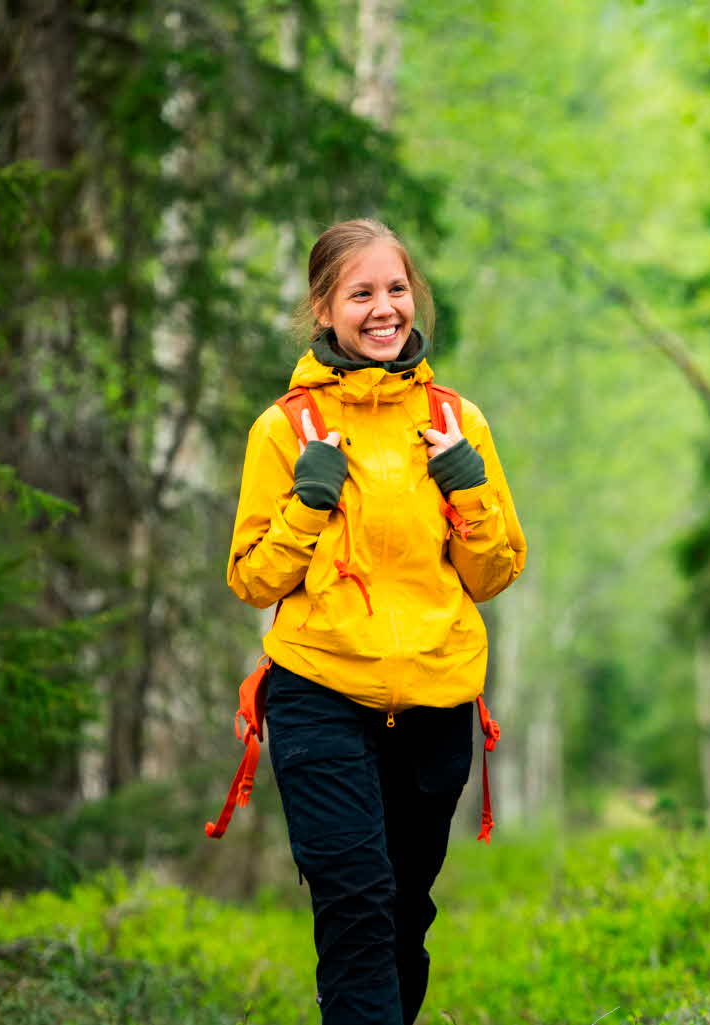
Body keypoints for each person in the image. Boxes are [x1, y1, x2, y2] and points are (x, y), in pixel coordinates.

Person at [227, 218, 526, 1025]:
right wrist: (307, 502)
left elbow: (493, 573)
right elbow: (254, 578)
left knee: (401, 914)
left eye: (396, 289)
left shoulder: (457, 418)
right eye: (362, 293)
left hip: (434, 703)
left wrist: (466, 484)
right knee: (356, 903)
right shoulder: (285, 429)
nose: (384, 308)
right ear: (325, 309)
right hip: (317, 692)